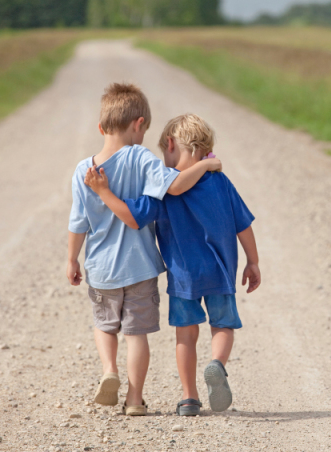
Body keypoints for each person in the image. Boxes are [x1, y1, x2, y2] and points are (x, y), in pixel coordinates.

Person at [84, 113, 260, 416]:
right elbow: (243, 225)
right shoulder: (220, 181)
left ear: (169, 144)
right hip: (220, 271)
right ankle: (217, 364)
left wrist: (104, 192)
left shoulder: (162, 188)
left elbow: (133, 216)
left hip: (183, 277)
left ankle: (189, 398)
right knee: (223, 326)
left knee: (186, 336)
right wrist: (253, 262)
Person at [66, 85, 222, 416]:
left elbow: (78, 222)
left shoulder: (84, 170)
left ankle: (109, 369)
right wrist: (207, 166)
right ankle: (135, 400)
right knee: (136, 335)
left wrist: (71, 259)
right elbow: (177, 185)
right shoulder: (140, 158)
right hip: (139, 267)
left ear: (101, 128)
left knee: (105, 324)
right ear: (139, 124)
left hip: (101, 268)